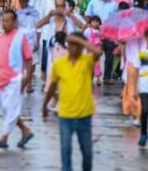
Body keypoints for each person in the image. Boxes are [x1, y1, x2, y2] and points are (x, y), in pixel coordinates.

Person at [42, 33, 103, 171]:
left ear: (82, 47)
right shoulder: (59, 64)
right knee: (66, 151)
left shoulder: (87, 61)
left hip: (84, 115)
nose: (74, 48)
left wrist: (81, 41)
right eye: (71, 44)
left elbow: (98, 52)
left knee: (87, 153)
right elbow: (52, 87)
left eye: (77, 45)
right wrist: (45, 105)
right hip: (65, 115)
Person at [0, 9, 34, 149]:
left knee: (11, 109)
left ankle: (4, 138)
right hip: (1, 79)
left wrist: (27, 78)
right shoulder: (0, 38)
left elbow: (29, 58)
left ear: (14, 22)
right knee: (5, 108)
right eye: (3, 21)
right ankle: (25, 130)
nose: (4, 24)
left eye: (7, 21)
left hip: (15, 79)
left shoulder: (20, 37)